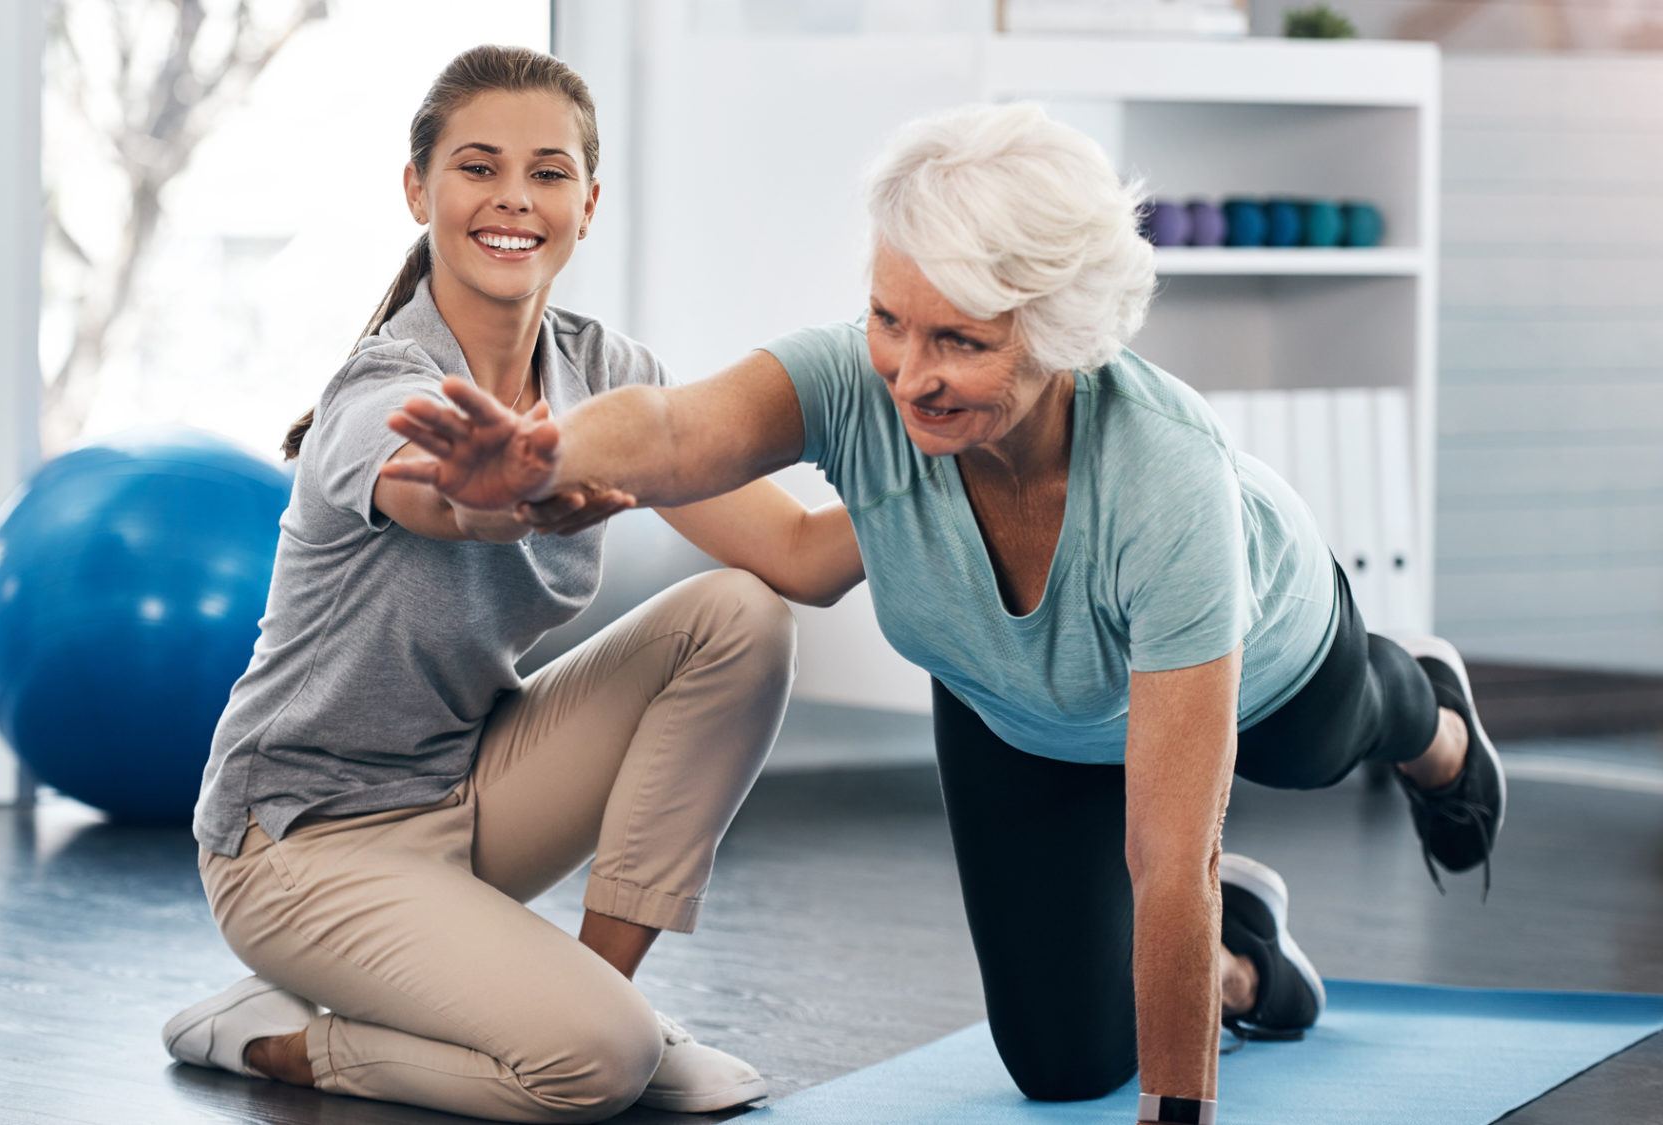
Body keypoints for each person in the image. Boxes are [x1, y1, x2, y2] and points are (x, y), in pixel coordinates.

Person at [384, 101, 1505, 1124]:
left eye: (961, 341)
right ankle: (1242, 964)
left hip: (1268, 663)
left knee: (1327, 740)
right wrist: (540, 459)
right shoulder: (857, 386)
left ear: (1063, 332)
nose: (907, 374)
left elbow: (1169, 856)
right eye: (888, 320)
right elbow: (681, 433)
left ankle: (1433, 714)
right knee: (1061, 1067)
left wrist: (1178, 1114)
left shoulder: (1167, 486)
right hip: (1016, 709)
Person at [159, 46, 863, 1124]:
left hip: (467, 792)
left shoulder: (610, 375)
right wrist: (502, 495)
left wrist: (962, 457)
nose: (512, 200)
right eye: (476, 167)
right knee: (589, 1070)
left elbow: (802, 561)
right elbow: (444, 500)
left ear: (586, 201)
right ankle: (285, 1041)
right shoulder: (381, 388)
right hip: (298, 843)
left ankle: (597, 996)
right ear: (418, 190)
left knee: (739, 616)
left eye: (545, 173)